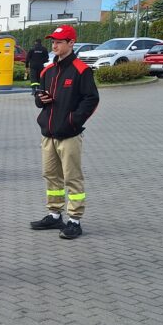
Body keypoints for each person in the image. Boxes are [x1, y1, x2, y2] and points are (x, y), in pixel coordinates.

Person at [31, 24, 99, 240]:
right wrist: (40, 100)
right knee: (51, 175)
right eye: (53, 42)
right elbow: (39, 99)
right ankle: (54, 214)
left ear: (71, 43)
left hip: (69, 134)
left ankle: (74, 220)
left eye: (59, 42)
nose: (54, 46)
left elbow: (91, 99)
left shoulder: (81, 70)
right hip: (48, 133)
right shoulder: (48, 70)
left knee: (72, 177)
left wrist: (73, 121)